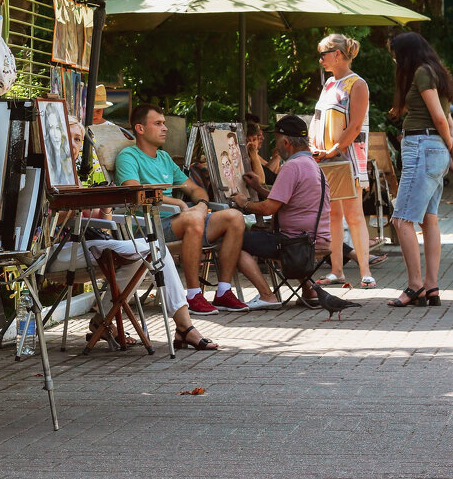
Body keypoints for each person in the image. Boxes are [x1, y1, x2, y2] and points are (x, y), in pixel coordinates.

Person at [65, 117, 217, 350]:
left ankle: (102, 321)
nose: (75, 146)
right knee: (153, 250)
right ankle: (185, 327)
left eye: (78, 139)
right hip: (63, 249)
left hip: (92, 243)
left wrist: (103, 205)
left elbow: (102, 222)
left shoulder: (76, 176)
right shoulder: (52, 177)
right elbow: (57, 226)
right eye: (68, 139)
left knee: (148, 253)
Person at [115, 104, 282, 314]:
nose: (165, 128)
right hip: (148, 226)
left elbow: (194, 189)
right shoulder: (128, 156)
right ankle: (193, 295)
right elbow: (133, 191)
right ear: (140, 129)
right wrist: (180, 204)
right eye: (158, 124)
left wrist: (202, 205)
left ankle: (223, 291)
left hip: (176, 221)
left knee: (234, 217)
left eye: (164, 123)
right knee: (192, 219)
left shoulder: (164, 158)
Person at [231, 115, 352, 306]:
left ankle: (266, 295)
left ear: (286, 142)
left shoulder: (292, 167)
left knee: (232, 242)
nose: (276, 146)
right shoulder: (312, 165)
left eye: (277, 141)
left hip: (297, 243)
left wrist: (244, 203)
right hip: (314, 238)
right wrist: (259, 188)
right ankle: (310, 291)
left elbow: (268, 207)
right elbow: (286, 198)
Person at [386, 32, 453, 308]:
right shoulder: (436, 71)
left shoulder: (422, 73)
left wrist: (446, 149)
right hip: (434, 150)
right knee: (428, 220)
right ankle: (431, 287)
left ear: (406, 53)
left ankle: (415, 285)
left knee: (401, 220)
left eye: (395, 54)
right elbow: (447, 118)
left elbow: (440, 120)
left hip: (423, 147)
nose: (394, 59)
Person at [310, 34, 376, 289]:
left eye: (323, 55)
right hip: (326, 157)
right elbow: (318, 118)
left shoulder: (356, 84)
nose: (320, 60)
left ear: (337, 54)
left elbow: (356, 124)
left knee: (354, 214)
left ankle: (365, 271)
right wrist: (315, 147)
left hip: (347, 159)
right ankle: (337, 270)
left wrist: (336, 149)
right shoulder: (329, 84)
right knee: (333, 214)